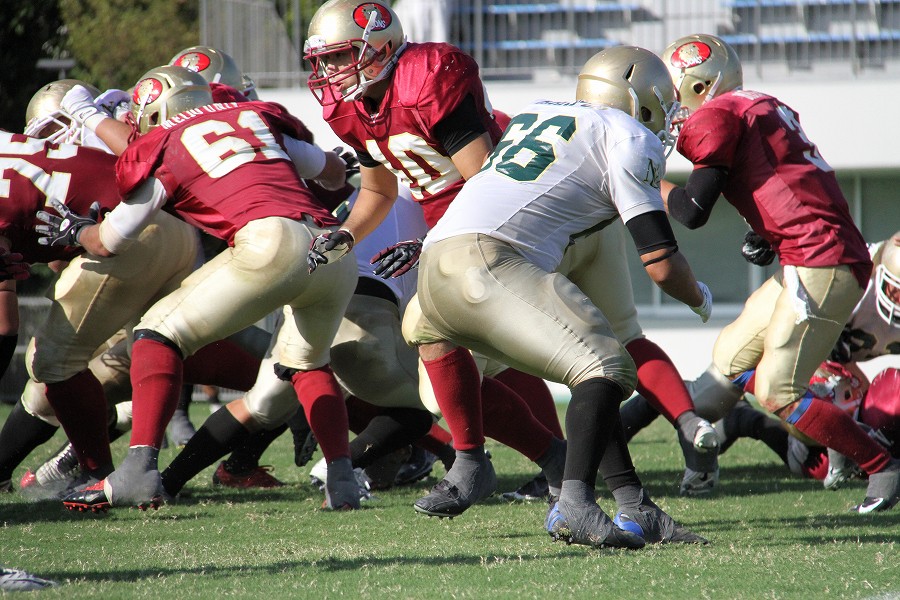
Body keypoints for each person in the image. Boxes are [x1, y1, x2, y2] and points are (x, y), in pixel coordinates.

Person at [400, 45, 715, 548]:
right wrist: (699, 296)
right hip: (488, 262)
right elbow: (659, 261)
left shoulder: (538, 112)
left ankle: (633, 504)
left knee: (591, 364)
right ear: (639, 100)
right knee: (607, 365)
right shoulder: (627, 134)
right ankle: (573, 505)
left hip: (436, 263)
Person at [45, 64, 359, 511]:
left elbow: (109, 241)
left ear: (152, 114)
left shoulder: (163, 143)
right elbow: (331, 169)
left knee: (155, 332)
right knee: (308, 362)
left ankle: (138, 468)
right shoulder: (252, 118)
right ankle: (342, 482)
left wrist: (78, 231)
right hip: (333, 248)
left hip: (269, 241)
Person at [303, 0, 570, 512]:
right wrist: (346, 235)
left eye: (339, 56)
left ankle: (482, 463)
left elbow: (486, 181)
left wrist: (428, 242)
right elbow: (379, 191)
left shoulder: (426, 79)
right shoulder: (352, 110)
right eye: (324, 60)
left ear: (380, 47)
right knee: (450, 374)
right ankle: (552, 461)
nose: (330, 71)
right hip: (455, 232)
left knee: (435, 336)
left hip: (500, 222)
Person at [659, 33, 899, 513]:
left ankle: (883, 466)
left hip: (820, 257)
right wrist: (767, 230)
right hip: (808, 251)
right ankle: (687, 456)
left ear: (700, 86)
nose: (671, 109)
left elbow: (691, 211)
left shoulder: (718, 115)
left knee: (776, 389)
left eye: (674, 94)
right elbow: (786, 179)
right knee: (726, 362)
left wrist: (639, 184)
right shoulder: (761, 105)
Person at [0, 84, 202, 493]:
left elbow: (4, 327)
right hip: (173, 227)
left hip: (127, 232)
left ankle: (98, 474)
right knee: (169, 347)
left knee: (52, 362)